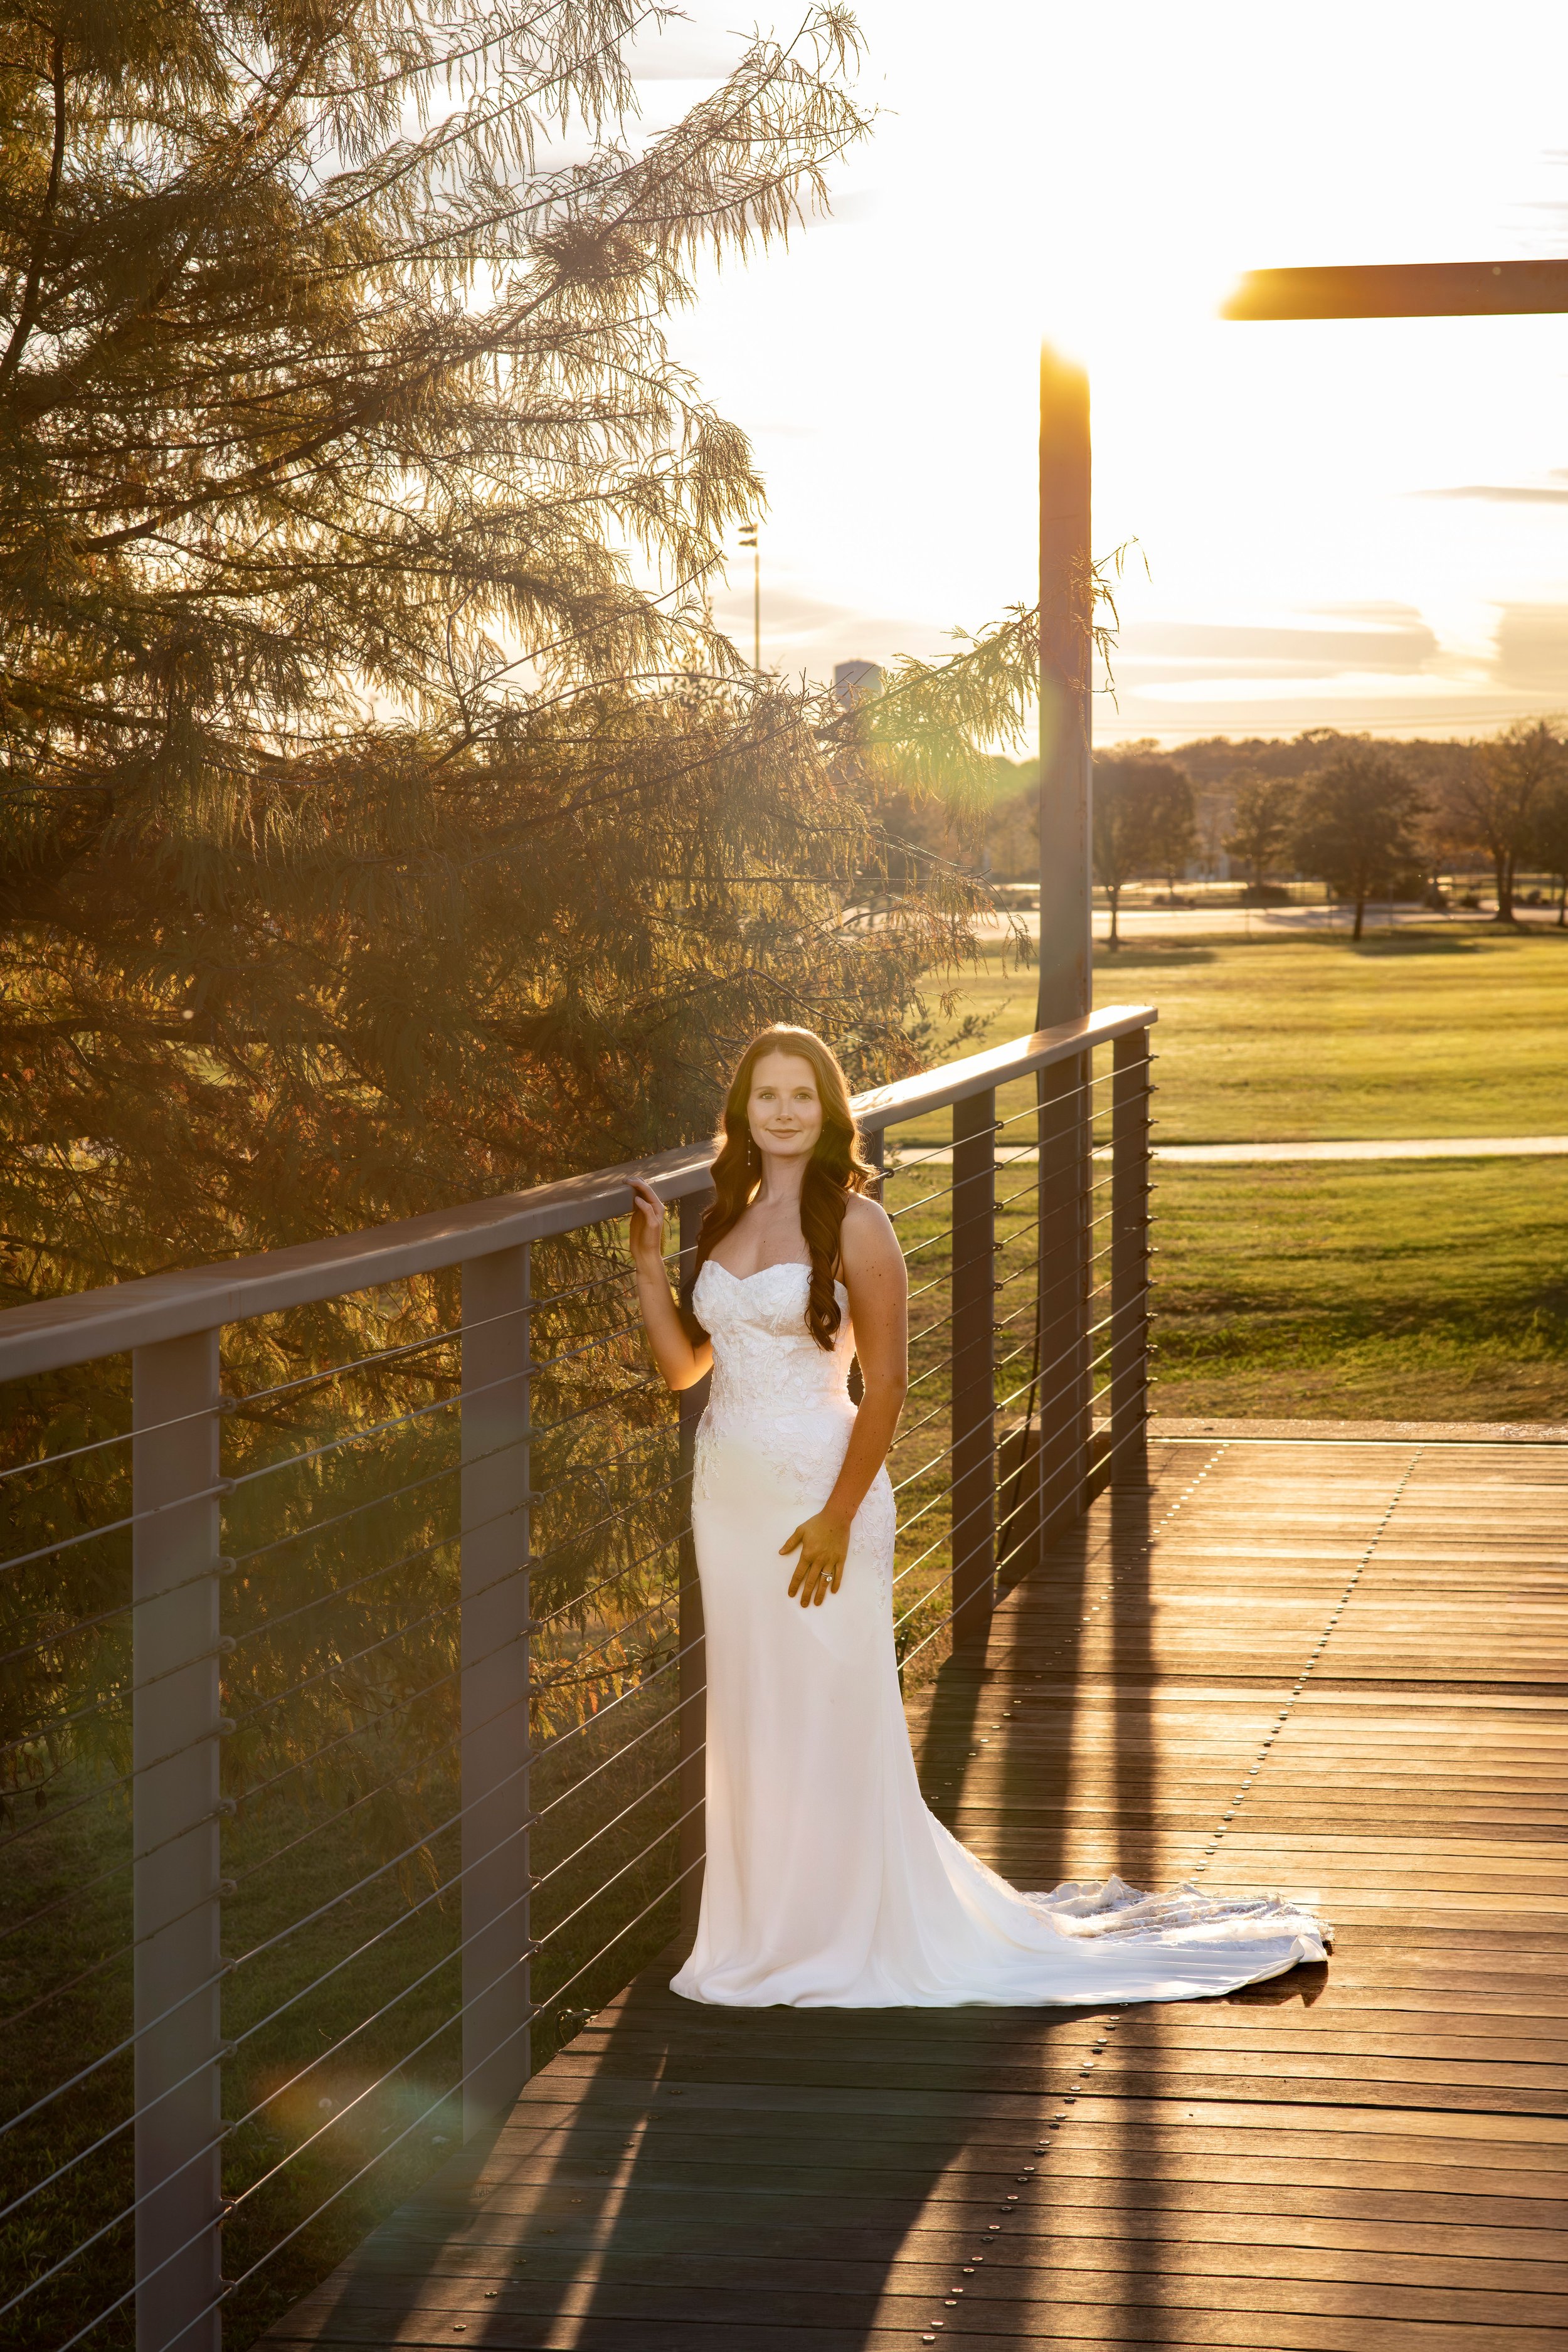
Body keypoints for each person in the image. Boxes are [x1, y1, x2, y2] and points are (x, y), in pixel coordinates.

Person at [627, 1023, 1327, 2008]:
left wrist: (834, 1518)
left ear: (829, 1111)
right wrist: (650, 1265)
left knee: (829, 1709)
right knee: (757, 1717)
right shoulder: (727, 1219)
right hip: (729, 1510)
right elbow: (684, 1367)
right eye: (765, 1094)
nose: (782, 1111)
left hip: (819, 1504)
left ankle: (845, 1933)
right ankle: (765, 1933)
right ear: (742, 1109)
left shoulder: (857, 1222)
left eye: (801, 1094)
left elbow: (890, 1385)